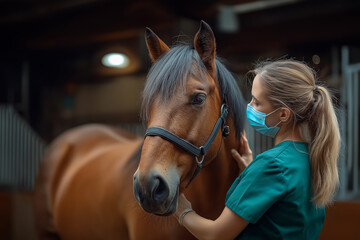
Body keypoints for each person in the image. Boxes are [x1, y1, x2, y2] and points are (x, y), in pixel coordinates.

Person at [174, 59, 340, 240]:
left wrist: (182, 210)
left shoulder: (272, 165)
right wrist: (251, 171)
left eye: (256, 102)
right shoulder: (309, 157)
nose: (250, 106)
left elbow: (216, 235)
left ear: (283, 114)